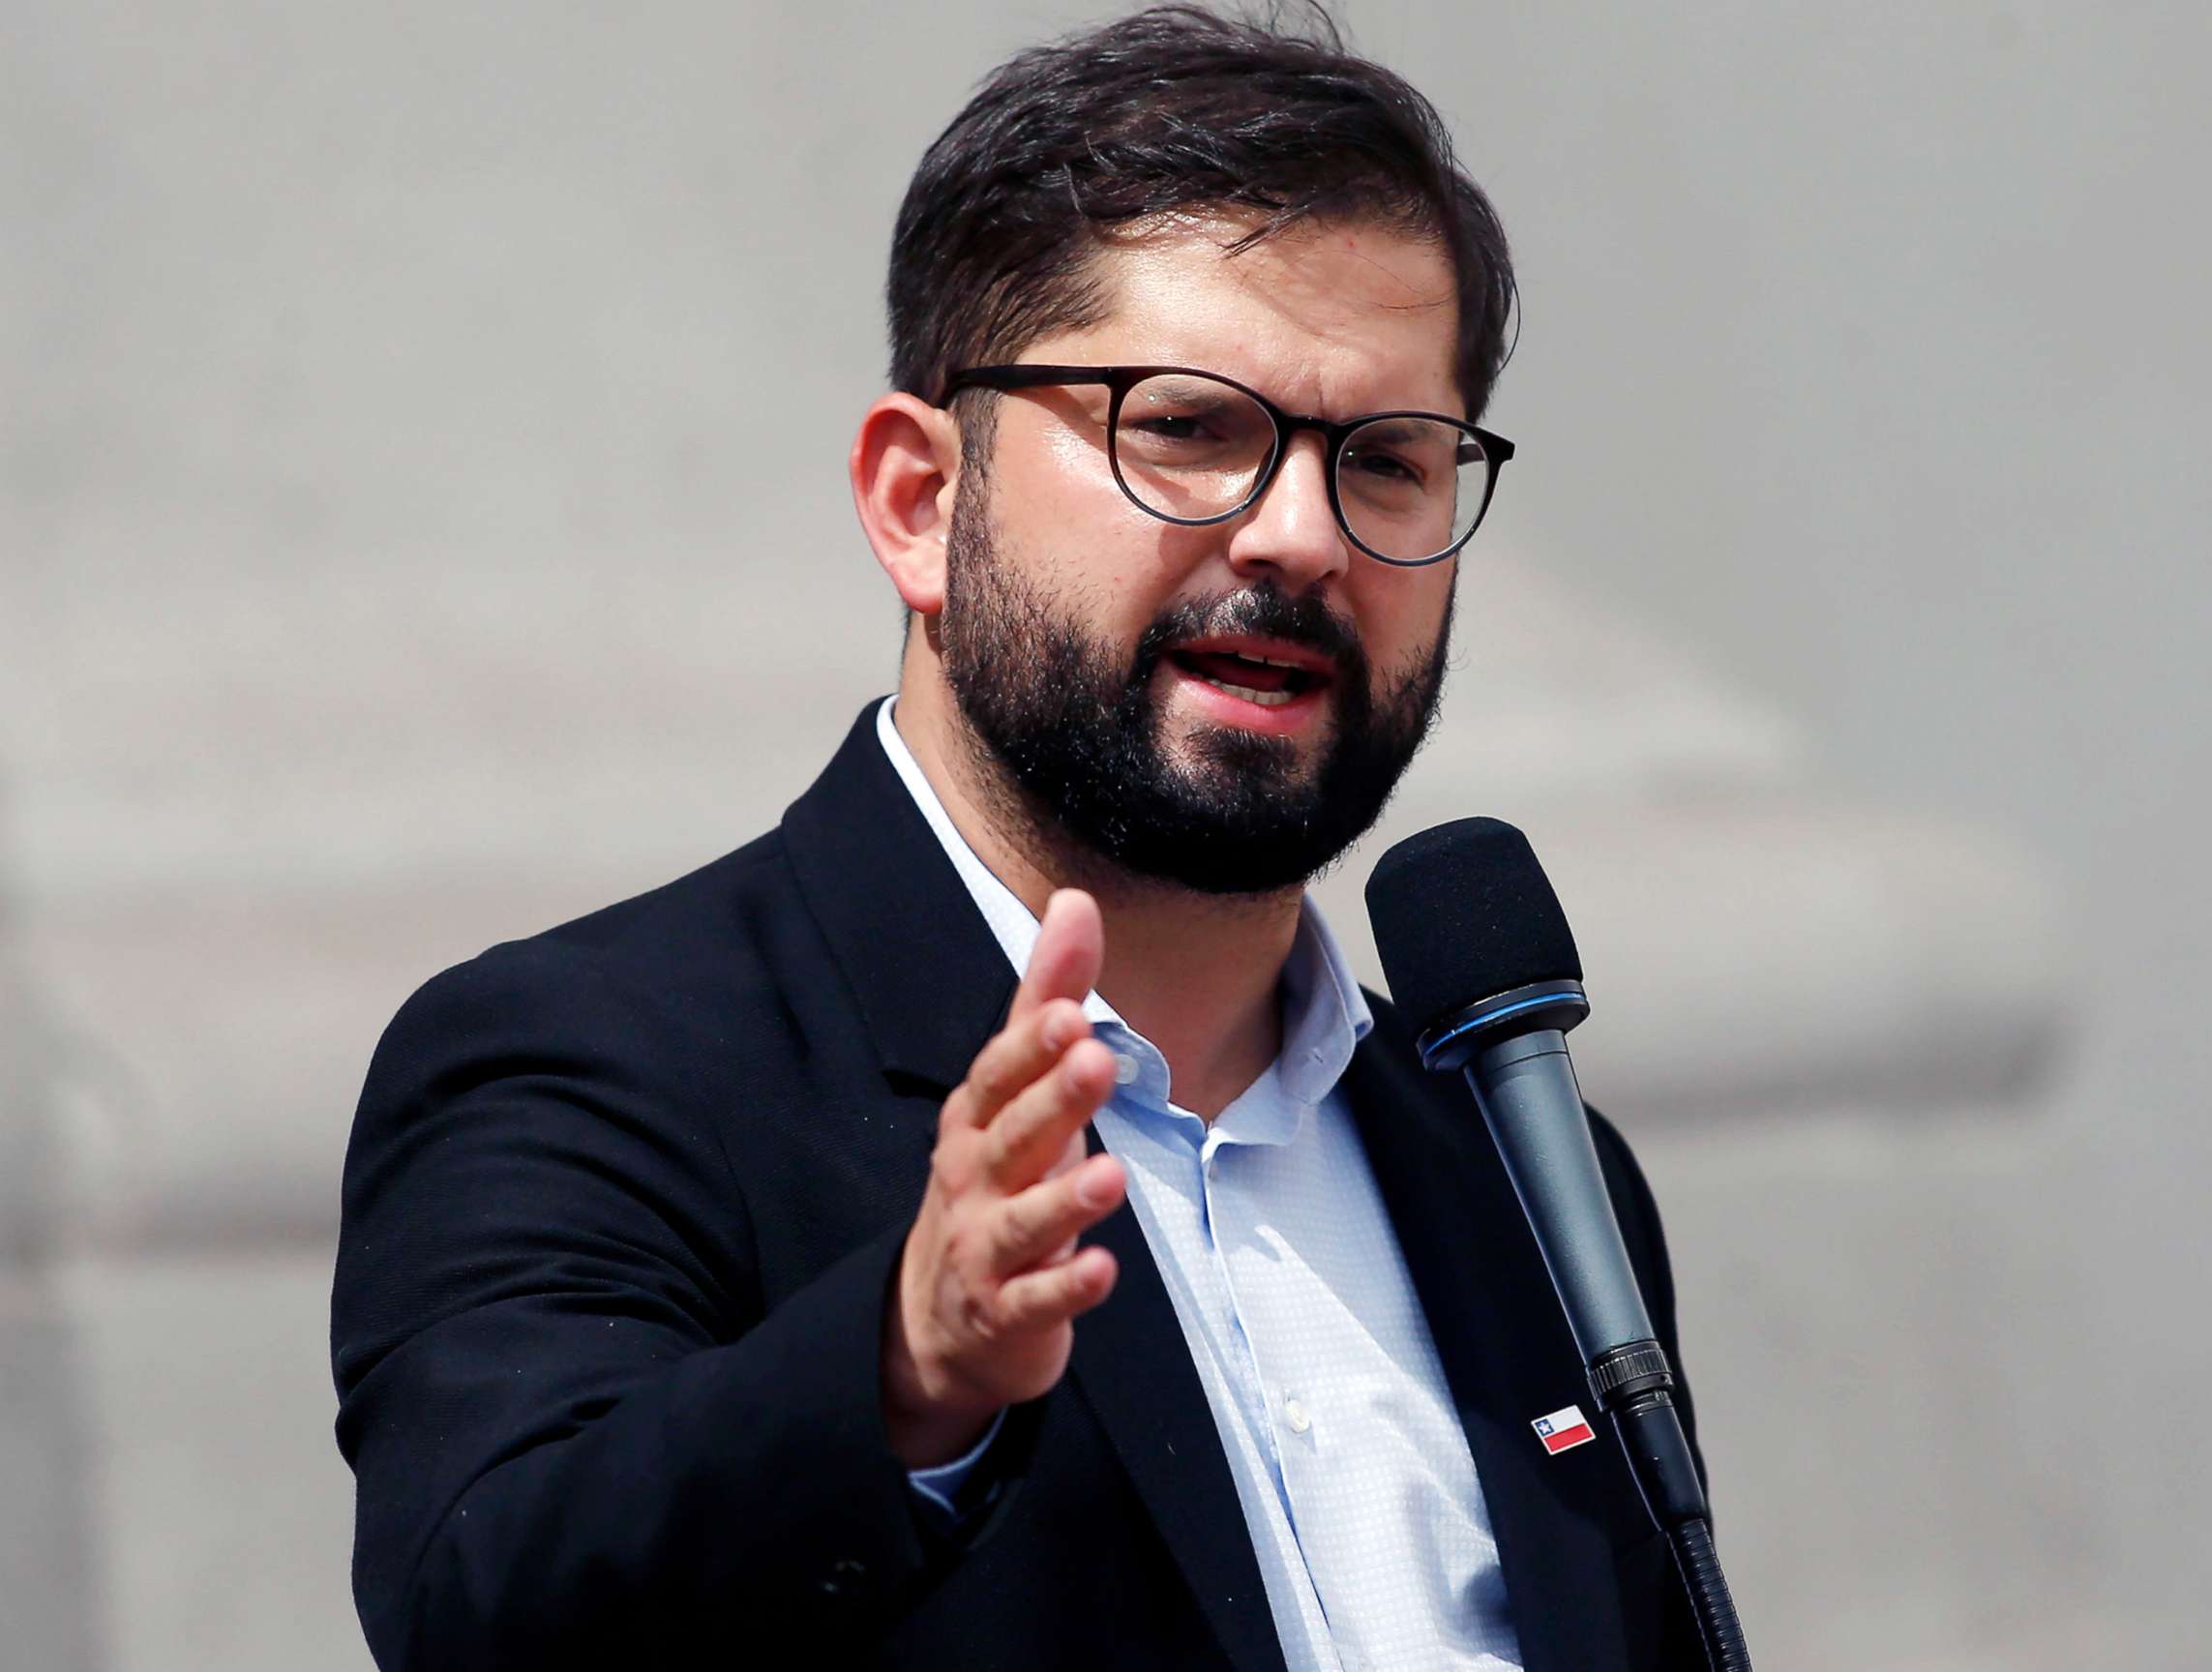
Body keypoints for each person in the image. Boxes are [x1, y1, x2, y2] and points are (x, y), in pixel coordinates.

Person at [330, 8, 1709, 1669]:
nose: (1297, 536)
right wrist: (906, 1371)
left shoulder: (1526, 1168)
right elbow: (487, 1612)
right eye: (1189, 428)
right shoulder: (591, 1066)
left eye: (1391, 462)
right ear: (921, 501)